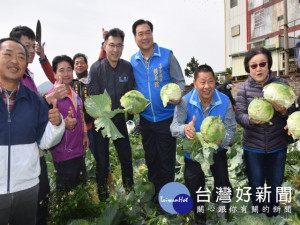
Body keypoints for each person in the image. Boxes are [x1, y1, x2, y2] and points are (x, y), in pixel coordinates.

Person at [0, 37, 64, 225]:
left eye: (21, 57)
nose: (15, 61)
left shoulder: (35, 100)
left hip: (27, 187)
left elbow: (44, 142)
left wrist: (56, 125)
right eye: (8, 55)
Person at [170, 64, 236, 224]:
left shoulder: (224, 100)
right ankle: (200, 218)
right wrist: (185, 129)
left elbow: (231, 129)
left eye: (211, 81)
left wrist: (222, 140)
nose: (207, 86)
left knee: (223, 185)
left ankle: (222, 215)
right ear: (195, 83)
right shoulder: (185, 101)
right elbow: (174, 127)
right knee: (195, 188)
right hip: (193, 152)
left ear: (215, 82)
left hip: (216, 151)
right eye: (202, 82)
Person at [130, 19, 185, 204]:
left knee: (166, 160)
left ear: (152, 34)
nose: (144, 37)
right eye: (140, 34)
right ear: (135, 38)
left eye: (147, 32)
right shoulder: (133, 61)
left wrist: (178, 96)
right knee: (151, 159)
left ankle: (168, 198)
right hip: (145, 120)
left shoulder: (167, 55)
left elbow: (180, 81)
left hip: (166, 118)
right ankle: (156, 195)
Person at [235, 46, 291, 217]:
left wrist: (282, 111)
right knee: (256, 184)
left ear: (268, 65)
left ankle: (272, 214)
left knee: (275, 183)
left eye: (262, 64)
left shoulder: (282, 85)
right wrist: (250, 120)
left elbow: (292, 112)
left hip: (277, 144)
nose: (258, 68)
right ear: (248, 68)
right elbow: (239, 115)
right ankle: (259, 215)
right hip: (253, 147)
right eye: (253, 66)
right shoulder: (243, 89)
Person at [88, 28, 135, 201]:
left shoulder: (127, 67)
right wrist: (101, 113)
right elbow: (92, 97)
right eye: (111, 45)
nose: (115, 49)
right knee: (102, 162)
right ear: (105, 46)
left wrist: (131, 111)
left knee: (126, 159)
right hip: (101, 122)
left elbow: (131, 93)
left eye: (119, 45)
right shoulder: (96, 68)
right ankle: (103, 200)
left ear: (123, 47)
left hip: (119, 121)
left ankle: (130, 195)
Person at [46, 55, 89, 191]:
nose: (66, 74)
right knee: (67, 193)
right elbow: (45, 123)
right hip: (63, 152)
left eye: (69, 70)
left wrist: (85, 134)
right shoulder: (50, 96)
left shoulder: (74, 94)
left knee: (80, 189)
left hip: (78, 149)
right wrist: (63, 122)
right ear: (54, 74)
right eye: (61, 70)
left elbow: (80, 116)